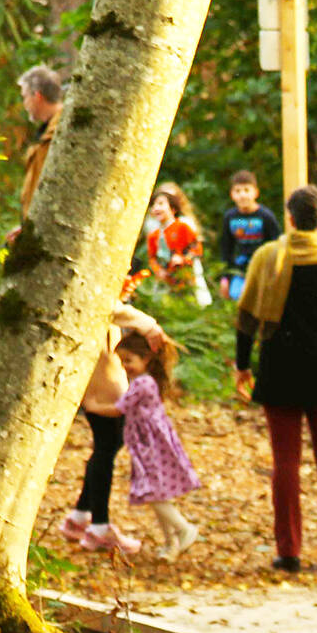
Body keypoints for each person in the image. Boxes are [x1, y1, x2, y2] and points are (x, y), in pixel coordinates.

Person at [235, 184, 317, 573]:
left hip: (280, 372)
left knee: (285, 463)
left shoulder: (268, 256)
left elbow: (247, 320)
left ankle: (288, 551)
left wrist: (243, 366)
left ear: (289, 218)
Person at [62, 301, 167, 552]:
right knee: (105, 452)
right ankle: (99, 526)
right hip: (103, 389)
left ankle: (80, 516)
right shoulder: (94, 286)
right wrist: (148, 325)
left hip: (105, 385)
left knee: (105, 448)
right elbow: (107, 304)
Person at [109, 329, 201, 559]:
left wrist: (89, 404)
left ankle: (184, 528)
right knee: (158, 493)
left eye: (128, 360)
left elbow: (118, 408)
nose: (125, 366)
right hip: (147, 445)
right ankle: (171, 544)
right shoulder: (143, 381)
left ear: (146, 359)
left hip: (152, 447)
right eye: (122, 361)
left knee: (153, 494)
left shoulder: (143, 383)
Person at [9, 64, 62, 241]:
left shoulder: (61, 131)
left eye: (25, 98)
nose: (24, 104)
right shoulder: (44, 134)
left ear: (37, 96)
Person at [216, 170, 280, 300]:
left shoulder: (265, 216)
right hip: (240, 268)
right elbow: (226, 248)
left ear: (255, 192)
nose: (242, 195)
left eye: (246, 190)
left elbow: (276, 244)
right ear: (232, 194)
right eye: (238, 191)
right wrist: (225, 277)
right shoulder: (231, 217)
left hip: (262, 267)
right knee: (237, 295)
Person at [145, 184, 204, 294]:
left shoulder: (183, 227)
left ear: (173, 208)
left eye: (161, 204)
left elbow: (196, 248)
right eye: (154, 204)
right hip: (165, 280)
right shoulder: (153, 235)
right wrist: (158, 271)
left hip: (186, 277)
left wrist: (183, 259)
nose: (157, 208)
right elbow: (152, 257)